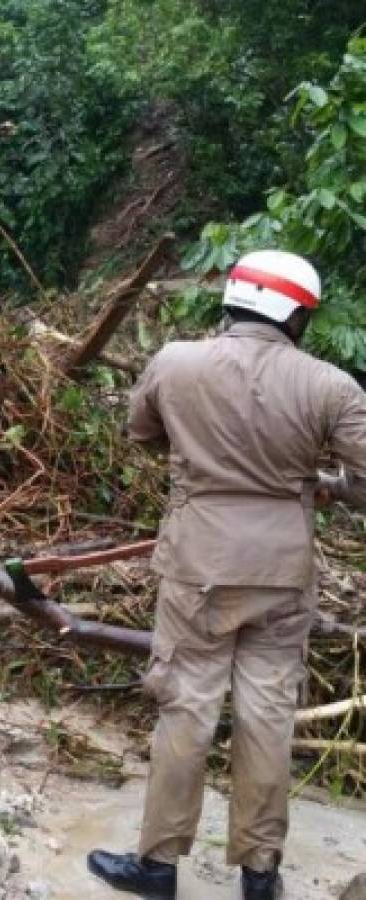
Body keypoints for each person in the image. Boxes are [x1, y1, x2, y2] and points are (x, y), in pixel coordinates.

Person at [88, 250, 366, 900]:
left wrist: (200, 456)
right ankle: (259, 876)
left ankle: (156, 867)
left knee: (185, 708)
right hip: (282, 572)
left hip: (198, 566)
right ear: (296, 313)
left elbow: (141, 433)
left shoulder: (175, 362)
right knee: (266, 719)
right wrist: (320, 483)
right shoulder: (331, 386)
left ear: (234, 297)